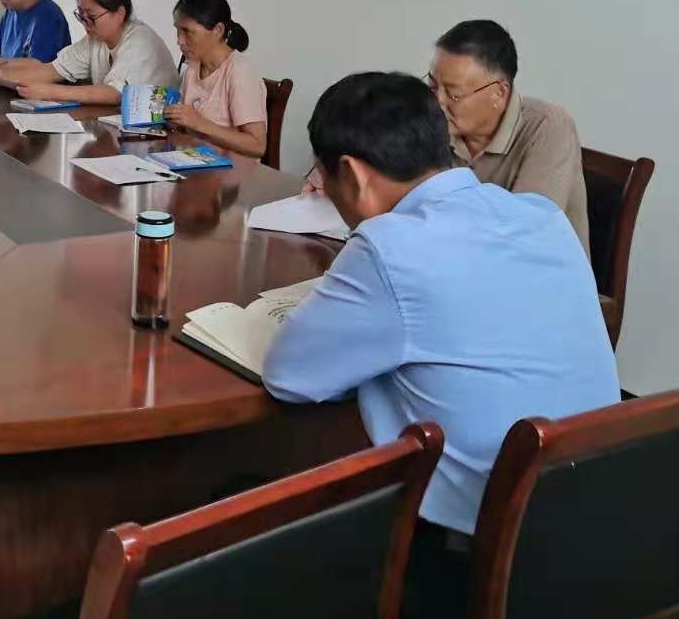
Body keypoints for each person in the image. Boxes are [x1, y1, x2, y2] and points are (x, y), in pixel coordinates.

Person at [263, 71, 618, 536]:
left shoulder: (389, 247)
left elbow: (288, 375)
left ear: (351, 173)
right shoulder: (542, 215)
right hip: (599, 510)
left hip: (480, 543)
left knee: (265, 485)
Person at [427, 20, 590, 255]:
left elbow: (524, 231)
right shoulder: (434, 124)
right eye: (433, 86)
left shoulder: (547, 126)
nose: (438, 102)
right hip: (457, 263)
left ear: (499, 93)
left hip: (534, 272)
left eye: (454, 94)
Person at [0, 0, 178, 104]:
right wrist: (0, 75)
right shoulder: (95, 41)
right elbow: (51, 70)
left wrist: (51, 91)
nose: (85, 23)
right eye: (81, 16)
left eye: (91, 17)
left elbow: (115, 93)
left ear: (119, 13)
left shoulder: (140, 41)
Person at [163, 0, 267, 159]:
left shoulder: (240, 71)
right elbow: (186, 126)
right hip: (194, 162)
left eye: (188, 31)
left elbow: (257, 146)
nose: (179, 41)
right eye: (178, 30)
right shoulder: (192, 69)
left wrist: (200, 124)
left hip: (233, 172)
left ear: (218, 30)